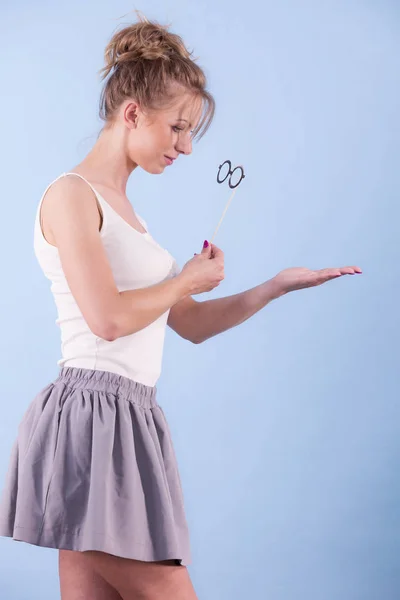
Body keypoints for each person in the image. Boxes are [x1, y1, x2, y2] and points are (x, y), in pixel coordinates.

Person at [0, 13, 362, 600]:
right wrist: (184, 280)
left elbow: (188, 325)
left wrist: (274, 285)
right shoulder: (72, 195)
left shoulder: (130, 217)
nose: (187, 147)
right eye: (178, 128)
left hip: (128, 418)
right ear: (133, 113)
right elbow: (109, 319)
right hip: (91, 417)